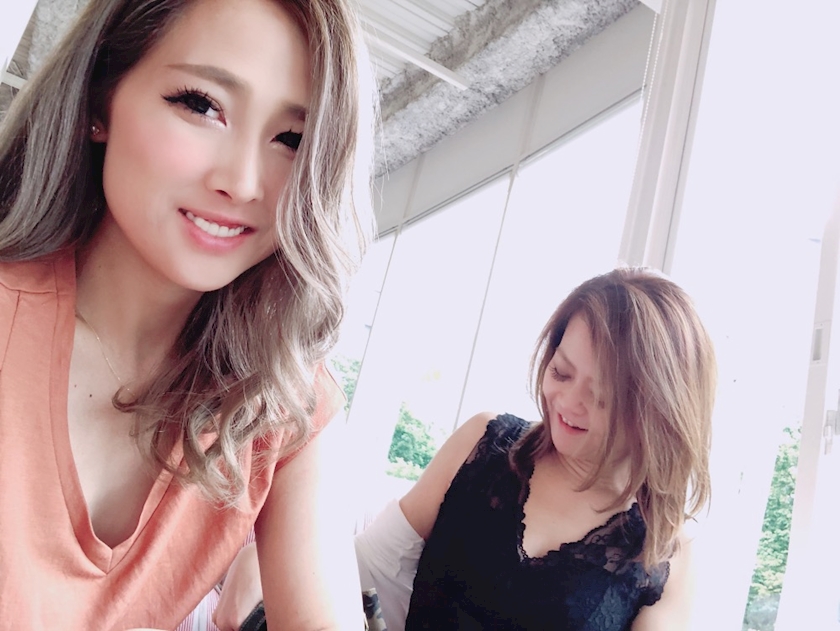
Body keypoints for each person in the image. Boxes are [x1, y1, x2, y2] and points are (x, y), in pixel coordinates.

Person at [0, 0, 374, 628]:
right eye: (201, 105)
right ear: (99, 100)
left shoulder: (284, 406)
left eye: (292, 140)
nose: (243, 182)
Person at [355, 267, 717, 630]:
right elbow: (373, 567)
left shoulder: (668, 550)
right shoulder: (484, 443)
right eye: (561, 372)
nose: (568, 402)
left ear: (659, 410)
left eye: (601, 395)